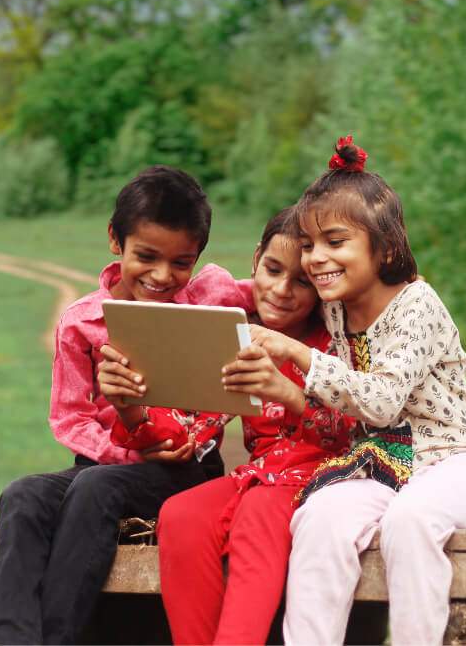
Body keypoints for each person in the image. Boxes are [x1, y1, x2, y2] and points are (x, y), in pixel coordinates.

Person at [238, 136, 466, 646]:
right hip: (384, 464)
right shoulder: (335, 304)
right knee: (318, 518)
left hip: (456, 461)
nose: (316, 259)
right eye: (310, 244)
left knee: (411, 522)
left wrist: (295, 353)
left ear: (384, 249)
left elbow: (381, 401)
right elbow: (258, 287)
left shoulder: (416, 304)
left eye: (335, 242)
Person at [0, 165, 254, 645]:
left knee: (96, 488)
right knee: (23, 494)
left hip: (186, 469)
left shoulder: (210, 299)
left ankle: (62, 637)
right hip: (104, 463)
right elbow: (71, 418)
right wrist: (128, 453)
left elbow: (274, 290)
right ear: (114, 240)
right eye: (146, 256)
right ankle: (3, 639)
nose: (163, 276)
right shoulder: (83, 324)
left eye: (181, 262)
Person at [139, 208, 356, 645]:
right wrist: (132, 407)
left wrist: (287, 392)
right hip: (259, 477)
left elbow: (351, 435)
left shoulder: (335, 340)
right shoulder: (236, 334)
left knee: (257, 514)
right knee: (179, 514)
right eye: (273, 269)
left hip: (327, 479)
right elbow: (190, 428)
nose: (280, 290)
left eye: (301, 281)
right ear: (256, 259)